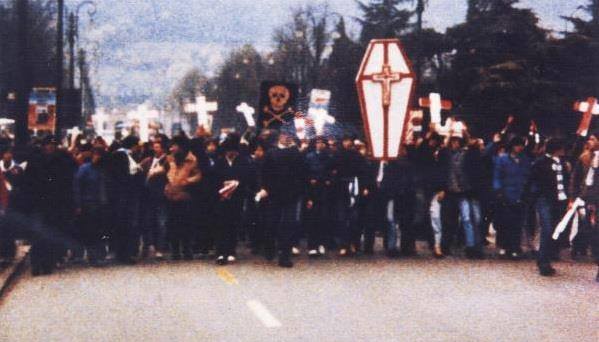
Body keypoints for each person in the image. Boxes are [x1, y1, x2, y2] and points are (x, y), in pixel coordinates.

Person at [259, 129, 306, 267]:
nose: (286, 138)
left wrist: (300, 190)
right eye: (284, 135)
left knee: (288, 224)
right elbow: (264, 172)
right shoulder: (271, 152)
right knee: (272, 223)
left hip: (291, 194)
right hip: (274, 193)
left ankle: (284, 256)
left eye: (289, 136)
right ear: (279, 137)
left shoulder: (295, 152)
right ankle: (269, 247)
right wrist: (264, 187)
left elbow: (301, 172)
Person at [438, 134, 484, 259]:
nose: (455, 143)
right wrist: (442, 188)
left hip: (465, 192)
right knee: (451, 220)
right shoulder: (445, 154)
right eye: (453, 141)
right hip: (451, 191)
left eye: (457, 141)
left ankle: (472, 247)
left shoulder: (468, 154)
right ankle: (448, 246)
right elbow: (442, 171)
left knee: (469, 219)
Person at [528, 138, 569, 276]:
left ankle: (549, 256)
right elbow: (532, 180)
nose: (564, 151)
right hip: (544, 199)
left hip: (560, 200)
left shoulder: (563, 163)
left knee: (555, 229)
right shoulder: (540, 162)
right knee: (547, 228)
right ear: (556, 149)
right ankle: (543, 262)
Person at [213, 133, 251, 265]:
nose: (231, 154)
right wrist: (222, 187)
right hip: (221, 198)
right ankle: (220, 252)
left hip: (237, 197)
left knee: (233, 224)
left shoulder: (242, 162)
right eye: (229, 151)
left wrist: (237, 183)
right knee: (220, 225)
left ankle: (230, 250)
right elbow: (213, 179)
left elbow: (247, 178)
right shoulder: (219, 162)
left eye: (234, 152)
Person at [162, 135, 202, 260]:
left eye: (174, 146)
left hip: (185, 197)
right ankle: (175, 251)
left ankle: (186, 249)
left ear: (181, 147)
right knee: (172, 225)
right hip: (170, 196)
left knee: (186, 224)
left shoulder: (192, 160)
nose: (172, 148)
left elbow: (198, 175)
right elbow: (162, 172)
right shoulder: (169, 160)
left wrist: (188, 180)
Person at [108, 135, 144, 264]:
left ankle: (125, 253)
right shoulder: (120, 156)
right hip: (123, 197)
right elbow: (122, 176)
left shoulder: (127, 156)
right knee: (125, 225)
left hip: (127, 196)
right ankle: (124, 254)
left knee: (127, 225)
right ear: (133, 145)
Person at [493, 137, 531, 259]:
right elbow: (497, 176)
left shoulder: (525, 160)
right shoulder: (502, 159)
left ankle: (515, 247)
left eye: (521, 145)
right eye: (517, 145)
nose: (520, 148)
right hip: (505, 194)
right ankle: (504, 247)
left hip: (520, 194)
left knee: (517, 222)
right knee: (504, 222)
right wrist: (498, 190)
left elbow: (527, 176)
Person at [568, 132, 599, 282]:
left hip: (596, 199)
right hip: (586, 198)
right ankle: (577, 246)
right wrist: (573, 197)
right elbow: (576, 177)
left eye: (593, 139)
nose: (590, 141)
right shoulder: (584, 158)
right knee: (588, 228)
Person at [73, 147, 109, 265]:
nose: (97, 157)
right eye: (96, 154)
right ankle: (93, 256)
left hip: (101, 204)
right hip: (88, 204)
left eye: (100, 155)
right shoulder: (84, 169)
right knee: (91, 231)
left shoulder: (103, 169)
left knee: (101, 231)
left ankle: (101, 255)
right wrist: (78, 205)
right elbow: (77, 187)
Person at [380, 145, 416, 257]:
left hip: (400, 196)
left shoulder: (402, 165)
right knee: (394, 221)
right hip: (397, 196)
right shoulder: (394, 164)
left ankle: (395, 246)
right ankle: (396, 246)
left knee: (396, 221)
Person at [304, 136, 333, 257]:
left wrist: (328, 180)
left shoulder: (329, 157)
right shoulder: (309, 157)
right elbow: (306, 173)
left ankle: (321, 243)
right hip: (313, 190)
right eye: (317, 142)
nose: (319, 145)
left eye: (322, 143)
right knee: (312, 218)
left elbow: (332, 172)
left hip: (325, 191)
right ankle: (312, 246)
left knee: (324, 218)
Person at [140, 139, 169, 259]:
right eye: (154, 147)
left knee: (161, 223)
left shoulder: (167, 161)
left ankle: (160, 249)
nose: (155, 149)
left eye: (158, 147)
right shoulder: (147, 161)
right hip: (148, 196)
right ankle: (147, 246)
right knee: (147, 222)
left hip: (161, 195)